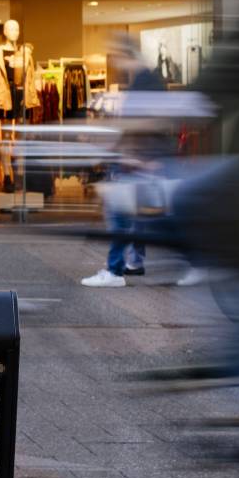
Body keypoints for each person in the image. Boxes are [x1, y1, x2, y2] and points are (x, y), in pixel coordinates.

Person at [82, 34, 168, 288]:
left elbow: (151, 121)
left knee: (120, 212)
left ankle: (115, 270)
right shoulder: (144, 80)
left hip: (139, 157)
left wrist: (134, 154)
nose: (116, 63)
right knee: (136, 213)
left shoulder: (146, 81)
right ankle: (131, 263)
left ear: (126, 55)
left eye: (116, 56)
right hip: (140, 156)